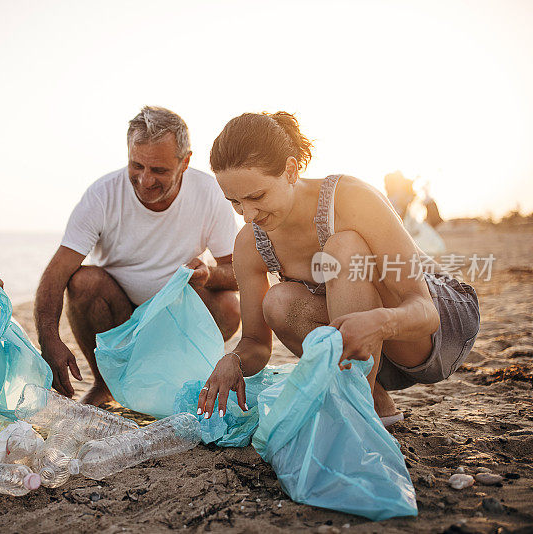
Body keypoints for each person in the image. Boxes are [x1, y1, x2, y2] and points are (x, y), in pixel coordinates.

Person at [197, 112, 480, 424]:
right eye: (234, 202)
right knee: (277, 302)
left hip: (435, 328)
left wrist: (379, 323)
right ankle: (370, 402)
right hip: (371, 348)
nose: (247, 214)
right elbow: (255, 343)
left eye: (257, 196)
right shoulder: (250, 243)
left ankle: (354, 412)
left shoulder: (348, 199)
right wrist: (233, 359)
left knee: (342, 248)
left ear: (290, 170)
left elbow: (425, 311)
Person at [35, 106, 241, 405]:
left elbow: (237, 272)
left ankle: (178, 378)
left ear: (185, 162)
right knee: (83, 281)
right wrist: (49, 340)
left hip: (174, 316)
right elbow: (56, 273)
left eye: (159, 170)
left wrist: (209, 274)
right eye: (137, 166)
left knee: (228, 305)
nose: (145, 180)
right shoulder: (102, 194)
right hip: (117, 316)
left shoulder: (209, 191)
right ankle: (105, 384)